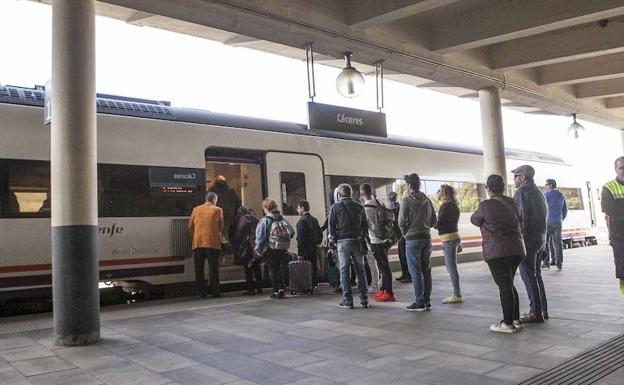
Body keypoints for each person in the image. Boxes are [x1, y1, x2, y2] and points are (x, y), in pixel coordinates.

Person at [471, 175, 526, 333]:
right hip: (516, 249)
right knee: (508, 284)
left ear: (488, 189)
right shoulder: (512, 202)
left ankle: (507, 323)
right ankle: (515, 319)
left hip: (497, 251)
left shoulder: (485, 205)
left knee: (504, 286)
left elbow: (475, 220)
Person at [513, 165, 548, 322]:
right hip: (541, 237)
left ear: (522, 177)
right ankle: (543, 310)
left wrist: (520, 237)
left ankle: (535, 312)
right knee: (536, 275)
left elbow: (521, 215)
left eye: (516, 176)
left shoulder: (522, 191)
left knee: (528, 275)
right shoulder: (539, 192)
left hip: (528, 239)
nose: (514, 179)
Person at [399, 173, 437, 312]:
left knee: (415, 271)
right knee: (426, 270)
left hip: (412, 240)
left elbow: (401, 221)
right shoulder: (427, 200)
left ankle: (419, 301)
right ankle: (427, 300)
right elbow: (434, 220)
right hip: (426, 238)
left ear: (409, 186)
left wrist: (406, 234)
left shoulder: (406, 200)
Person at [329, 183, 369, 309]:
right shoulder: (359, 206)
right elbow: (365, 225)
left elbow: (331, 226)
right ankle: (364, 300)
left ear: (339, 194)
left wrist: (333, 240)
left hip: (342, 242)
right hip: (357, 241)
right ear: (350, 194)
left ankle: (348, 301)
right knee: (360, 271)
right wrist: (362, 236)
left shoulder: (335, 207)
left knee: (344, 271)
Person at [361, 184, 396, 302]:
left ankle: (389, 293)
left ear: (362, 195)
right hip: (384, 238)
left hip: (375, 240)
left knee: (383, 267)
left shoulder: (365, 208)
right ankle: (384, 289)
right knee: (383, 265)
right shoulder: (379, 202)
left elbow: (365, 226)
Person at [255, 198, 295, 299]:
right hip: (282, 248)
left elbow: (260, 237)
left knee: (273, 269)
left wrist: (258, 249)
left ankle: (276, 291)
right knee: (281, 269)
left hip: (270, 249)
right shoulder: (283, 218)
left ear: (265, 208)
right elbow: (292, 232)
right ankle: (282, 290)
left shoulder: (264, 220)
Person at [188, 192, 224, 298]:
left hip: (198, 243)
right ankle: (215, 292)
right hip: (212, 243)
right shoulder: (218, 210)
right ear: (214, 200)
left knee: (199, 269)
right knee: (213, 269)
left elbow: (190, 226)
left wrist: (196, 235)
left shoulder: (196, 209)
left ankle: (201, 292)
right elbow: (221, 227)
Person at [435, 184, 463, 304]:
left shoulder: (445, 206)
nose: (437, 192)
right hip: (454, 237)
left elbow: (439, 224)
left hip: (449, 239)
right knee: (450, 266)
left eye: (439, 191)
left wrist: (431, 223)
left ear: (444, 193)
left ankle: (457, 294)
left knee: (451, 267)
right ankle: (456, 293)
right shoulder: (454, 206)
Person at [601, 156, 624, 295]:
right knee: (623, 272)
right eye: (621, 168)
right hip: (620, 237)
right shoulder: (608, 187)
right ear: (615, 169)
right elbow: (609, 209)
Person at [231, 207, 262, 295]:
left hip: (247, 246)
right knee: (256, 267)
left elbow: (239, 232)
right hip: (255, 245)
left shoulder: (243, 218)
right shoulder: (254, 218)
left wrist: (234, 242)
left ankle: (251, 289)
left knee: (248, 268)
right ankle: (259, 287)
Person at [543, 179, 567, 271]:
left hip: (547, 222)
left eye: (546, 184)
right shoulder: (561, 195)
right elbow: (565, 209)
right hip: (558, 222)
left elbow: (543, 208)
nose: (545, 186)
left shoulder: (545, 195)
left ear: (550, 185)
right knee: (558, 243)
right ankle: (559, 264)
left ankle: (546, 263)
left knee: (545, 242)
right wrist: (561, 218)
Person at [296, 200, 322, 286]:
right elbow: (320, 233)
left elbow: (300, 238)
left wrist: (299, 253)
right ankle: (314, 283)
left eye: (298, 208)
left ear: (302, 208)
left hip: (305, 249)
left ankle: (307, 284)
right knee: (314, 265)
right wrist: (317, 241)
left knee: (306, 267)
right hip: (313, 247)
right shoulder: (314, 220)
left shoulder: (301, 221)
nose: (297, 210)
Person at [389, 191, 410, 283]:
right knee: (401, 255)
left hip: (403, 235)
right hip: (400, 235)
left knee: (404, 255)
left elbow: (400, 220)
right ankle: (405, 274)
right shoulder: (396, 206)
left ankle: (408, 275)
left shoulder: (399, 206)